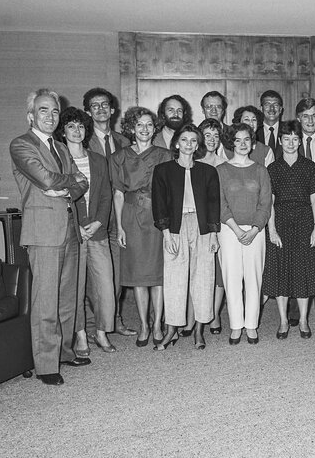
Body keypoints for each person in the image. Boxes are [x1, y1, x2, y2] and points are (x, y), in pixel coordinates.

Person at [10, 88, 89, 385]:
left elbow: (81, 182)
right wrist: (68, 182)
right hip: (43, 231)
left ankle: (65, 351)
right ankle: (46, 364)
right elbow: (43, 178)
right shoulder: (21, 144)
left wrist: (66, 186)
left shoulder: (60, 147)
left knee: (68, 296)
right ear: (31, 115)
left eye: (55, 111)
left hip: (70, 227)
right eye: (44, 110)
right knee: (45, 299)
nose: (51, 116)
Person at [152, 124, 221, 351]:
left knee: (204, 277)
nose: (189, 144)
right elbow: (159, 204)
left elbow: (213, 205)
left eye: (193, 140)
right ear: (177, 143)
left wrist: (213, 235)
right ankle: (171, 328)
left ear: (198, 145)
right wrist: (166, 233)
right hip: (175, 227)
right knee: (174, 278)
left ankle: (199, 329)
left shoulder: (208, 172)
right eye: (185, 139)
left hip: (202, 228)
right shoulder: (163, 171)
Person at [54, 107, 116, 355]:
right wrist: (77, 224)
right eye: (71, 126)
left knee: (105, 285)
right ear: (63, 130)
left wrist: (100, 222)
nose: (76, 131)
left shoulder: (98, 160)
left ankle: (101, 332)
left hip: (97, 231)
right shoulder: (58, 161)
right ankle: (80, 334)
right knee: (76, 288)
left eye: (80, 126)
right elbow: (60, 198)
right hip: (73, 232)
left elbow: (105, 194)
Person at [110, 106, 171, 347]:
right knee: (137, 276)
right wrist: (120, 228)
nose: (144, 129)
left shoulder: (165, 155)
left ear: (153, 128)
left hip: (157, 218)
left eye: (148, 124)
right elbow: (117, 193)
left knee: (158, 275)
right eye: (139, 125)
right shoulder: (119, 157)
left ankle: (158, 324)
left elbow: (170, 193)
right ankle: (144, 324)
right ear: (131, 128)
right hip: (131, 217)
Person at [263, 120, 315, 339]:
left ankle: (304, 320)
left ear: (300, 141)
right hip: (279, 222)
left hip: (305, 222)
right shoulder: (272, 168)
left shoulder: (309, 167)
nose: (290, 143)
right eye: (286, 139)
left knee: (303, 272)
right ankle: (282, 321)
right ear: (280, 141)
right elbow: (268, 202)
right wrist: (271, 229)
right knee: (281, 272)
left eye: (295, 139)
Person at [83, 87, 136, 338]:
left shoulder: (124, 141)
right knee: (96, 277)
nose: (101, 109)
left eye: (105, 104)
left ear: (113, 109)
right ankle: (95, 325)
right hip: (95, 218)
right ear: (88, 112)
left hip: (120, 218)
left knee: (116, 275)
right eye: (95, 105)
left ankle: (114, 319)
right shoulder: (82, 141)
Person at [217, 123, 272, 345]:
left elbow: (265, 203)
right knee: (232, 279)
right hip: (229, 230)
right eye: (237, 140)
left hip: (256, 231)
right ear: (232, 143)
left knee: (253, 279)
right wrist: (237, 229)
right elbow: (219, 204)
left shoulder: (260, 170)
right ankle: (235, 326)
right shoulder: (221, 170)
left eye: (246, 139)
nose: (242, 144)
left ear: (252, 143)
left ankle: (251, 325)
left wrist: (255, 229)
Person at [287, 98, 315, 328]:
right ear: (298, 119)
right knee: (295, 262)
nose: (310, 120)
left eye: (314, 115)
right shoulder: (288, 142)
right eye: (305, 116)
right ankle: (294, 312)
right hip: (293, 212)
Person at [199, 118, 227, 335]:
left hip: (219, 223)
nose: (212, 140)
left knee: (218, 272)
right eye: (207, 135)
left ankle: (215, 314)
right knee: (198, 270)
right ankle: (196, 315)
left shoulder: (223, 164)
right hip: (195, 222)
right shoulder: (192, 161)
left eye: (216, 135)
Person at [256, 90, 283, 154]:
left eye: (275, 105)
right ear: (261, 109)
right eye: (267, 105)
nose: (272, 109)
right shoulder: (255, 131)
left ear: (280, 109)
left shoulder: (289, 130)